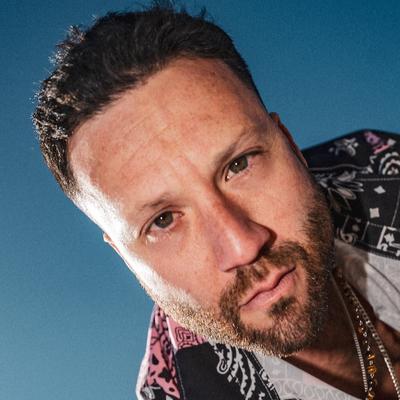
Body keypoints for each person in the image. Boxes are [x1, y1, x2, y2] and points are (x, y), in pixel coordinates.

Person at [33, 3, 400, 399]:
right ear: (126, 258)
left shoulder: (382, 167)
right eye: (163, 220)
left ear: (291, 145)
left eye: (239, 165)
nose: (243, 246)